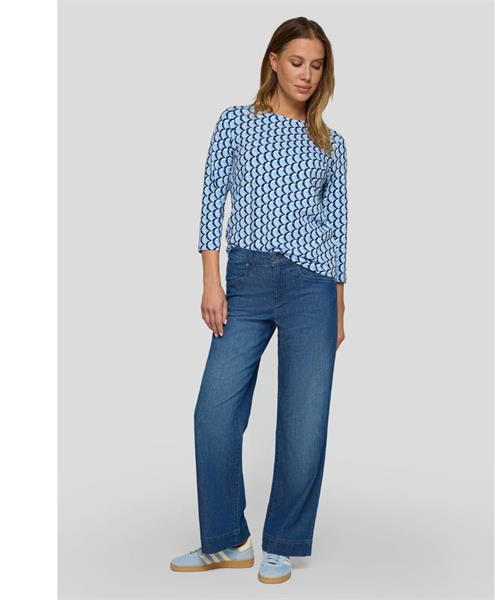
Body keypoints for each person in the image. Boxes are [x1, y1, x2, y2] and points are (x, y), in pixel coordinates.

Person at [170, 16, 348, 585]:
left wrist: (339, 304)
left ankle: (283, 540)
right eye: (296, 62)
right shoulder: (236, 122)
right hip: (245, 279)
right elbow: (210, 197)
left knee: (304, 420)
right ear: (273, 61)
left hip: (312, 286)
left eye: (316, 65)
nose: (306, 75)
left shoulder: (331, 143)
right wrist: (211, 279)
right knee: (214, 412)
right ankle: (228, 540)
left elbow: (337, 226)